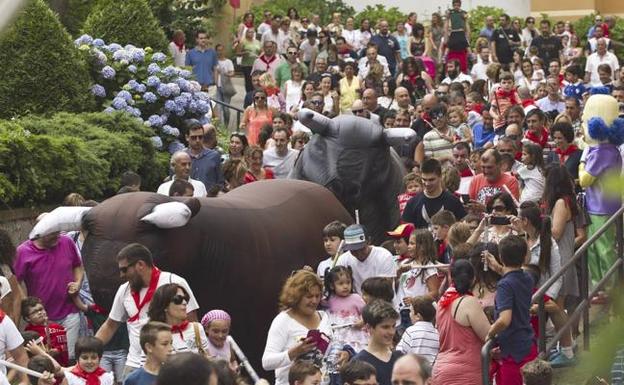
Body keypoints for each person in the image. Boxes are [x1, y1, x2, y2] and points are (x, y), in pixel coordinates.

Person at [95, 243, 199, 380]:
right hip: (134, 366)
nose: (121, 275)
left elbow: (191, 321)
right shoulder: (124, 289)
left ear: (140, 265)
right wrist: (90, 347)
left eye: (125, 269)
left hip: (169, 365)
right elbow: (110, 326)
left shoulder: (174, 282)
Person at [14, 229, 82, 361]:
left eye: (58, 232)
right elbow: (15, 281)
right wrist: (26, 303)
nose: (58, 236)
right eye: (53, 234)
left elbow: (77, 266)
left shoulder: (66, 242)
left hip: (69, 312)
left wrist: (78, 283)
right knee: (45, 358)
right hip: (40, 317)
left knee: (71, 356)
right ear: (40, 232)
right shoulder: (23, 251)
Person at [262, 270, 334, 385]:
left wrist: (342, 354)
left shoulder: (323, 316)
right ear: (296, 296)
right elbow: (266, 362)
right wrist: (293, 352)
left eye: (317, 296)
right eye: (309, 296)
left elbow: (331, 350)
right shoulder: (283, 321)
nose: (314, 301)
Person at [486, 235, 537, 385]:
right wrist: (497, 268)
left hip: (514, 355)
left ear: (501, 256)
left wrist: (490, 332)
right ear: (524, 257)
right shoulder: (527, 278)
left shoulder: (504, 286)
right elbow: (514, 277)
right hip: (528, 344)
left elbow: (505, 319)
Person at [431, 260, 489, 384]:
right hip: (464, 372)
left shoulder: (443, 300)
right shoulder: (469, 302)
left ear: (451, 277)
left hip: (441, 369)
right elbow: (488, 336)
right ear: (473, 279)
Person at [402, 158, 466, 229]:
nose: (427, 183)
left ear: (440, 177)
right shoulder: (412, 203)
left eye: (431, 180)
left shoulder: (453, 201)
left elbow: (463, 228)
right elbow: (405, 230)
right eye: (424, 179)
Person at [147, 284, 209, 356]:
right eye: (178, 299)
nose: (185, 303)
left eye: (185, 298)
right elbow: (148, 365)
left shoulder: (197, 328)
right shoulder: (153, 334)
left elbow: (207, 361)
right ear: (164, 305)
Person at [352, 300, 403, 385]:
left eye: (393, 326)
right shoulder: (359, 363)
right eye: (385, 327)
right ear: (369, 327)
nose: (392, 332)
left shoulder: (400, 357)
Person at [335, 224, 395, 294]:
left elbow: (386, 287)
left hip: (383, 301)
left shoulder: (384, 256)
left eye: (361, 249)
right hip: (357, 303)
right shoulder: (343, 260)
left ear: (368, 241)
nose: (359, 253)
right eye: (353, 251)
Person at [324, 266, 367, 352]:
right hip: (338, 337)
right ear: (332, 286)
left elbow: (367, 313)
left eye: (348, 283)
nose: (345, 286)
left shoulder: (356, 298)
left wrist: (362, 321)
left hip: (356, 334)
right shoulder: (330, 300)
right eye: (341, 283)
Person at [22, 296, 69, 366]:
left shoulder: (58, 327)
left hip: (66, 365)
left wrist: (59, 349)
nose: (40, 313)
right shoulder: (29, 333)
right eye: (34, 312)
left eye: (41, 309)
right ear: (27, 318)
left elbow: (68, 344)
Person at [396, 297, 439, 365]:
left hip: (412, 369)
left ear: (417, 316)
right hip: (429, 372)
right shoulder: (437, 334)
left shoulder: (411, 331)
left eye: (411, 311)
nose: (410, 314)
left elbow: (400, 351)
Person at [183, 120, 224, 191]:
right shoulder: (181, 156)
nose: (197, 140)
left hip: (208, 199)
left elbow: (220, 182)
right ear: (187, 137)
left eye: (200, 137)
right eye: (194, 137)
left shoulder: (214, 156)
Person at [236, 28, 261, 93]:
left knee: (258, 80)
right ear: (246, 33)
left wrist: (260, 56)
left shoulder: (257, 42)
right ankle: (249, 94)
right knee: (249, 81)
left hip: (256, 64)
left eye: (252, 32)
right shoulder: (243, 42)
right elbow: (237, 53)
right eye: (249, 32)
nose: (251, 34)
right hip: (246, 65)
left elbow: (262, 52)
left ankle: (257, 93)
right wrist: (245, 53)